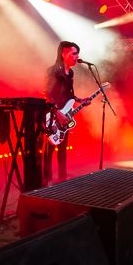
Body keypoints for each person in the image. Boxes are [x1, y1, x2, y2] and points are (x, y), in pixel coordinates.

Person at [42, 41, 91, 185]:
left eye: (77, 54)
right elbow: (47, 94)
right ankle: (46, 182)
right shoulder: (53, 71)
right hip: (52, 114)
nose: (77, 57)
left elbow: (70, 96)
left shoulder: (71, 73)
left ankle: (62, 181)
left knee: (62, 149)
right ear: (63, 54)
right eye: (74, 53)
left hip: (65, 114)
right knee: (49, 150)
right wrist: (57, 112)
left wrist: (80, 100)